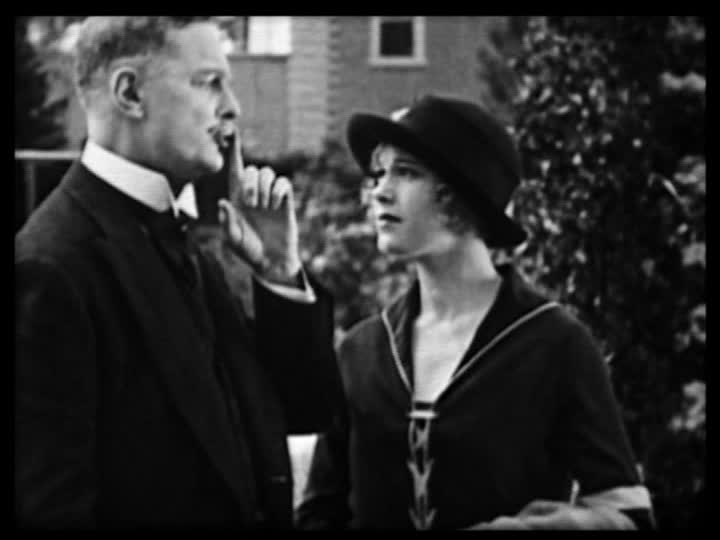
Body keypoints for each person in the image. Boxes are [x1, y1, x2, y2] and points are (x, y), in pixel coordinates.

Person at [15, 17, 341, 528]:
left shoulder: (183, 240)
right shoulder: (52, 267)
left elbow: (302, 409)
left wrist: (280, 273)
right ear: (130, 93)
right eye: (209, 82)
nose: (232, 107)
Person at [295, 94, 655, 530]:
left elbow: (627, 513)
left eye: (406, 172)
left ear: (461, 191)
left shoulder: (553, 343)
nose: (381, 192)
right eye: (379, 174)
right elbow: (319, 514)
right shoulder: (362, 351)